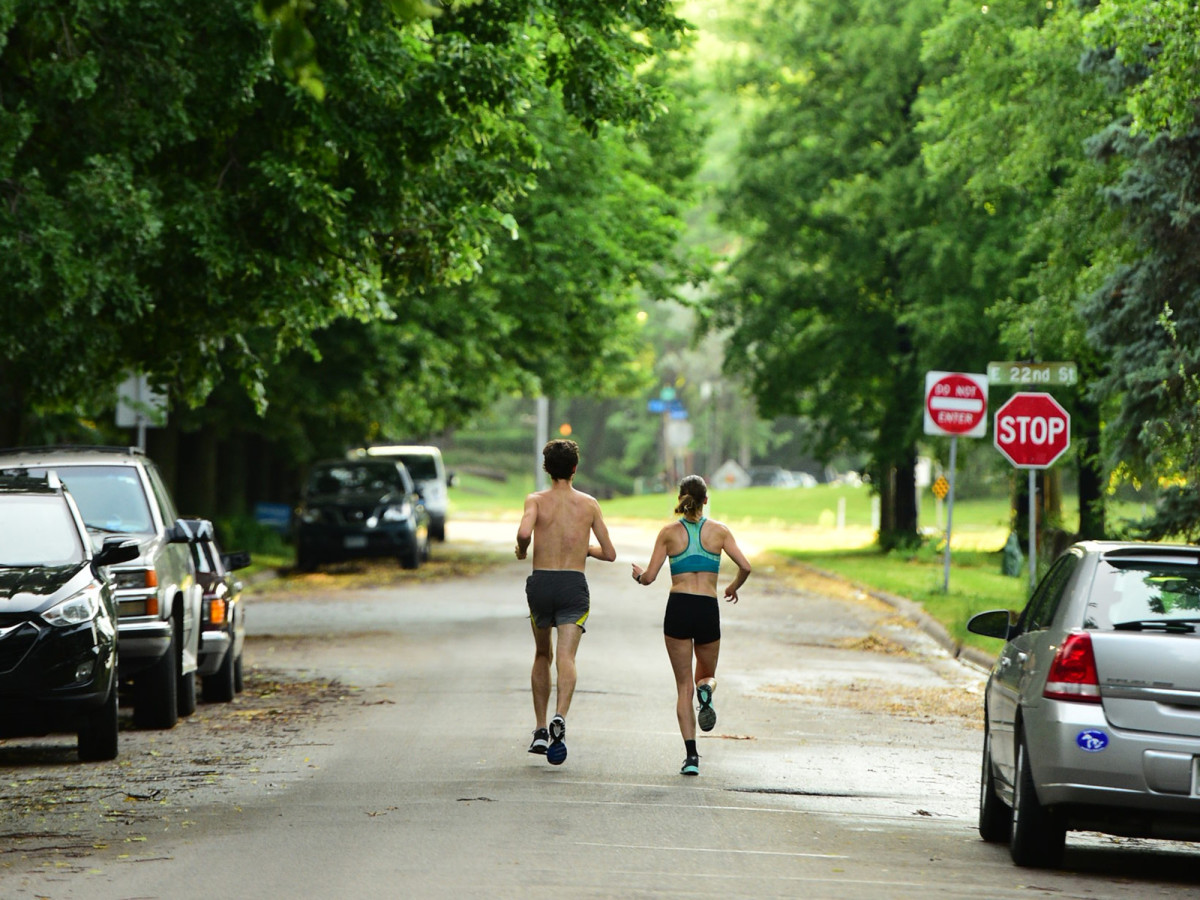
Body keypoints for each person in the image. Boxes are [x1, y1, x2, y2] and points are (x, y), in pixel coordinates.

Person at [631, 475, 751, 776]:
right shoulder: (720, 532)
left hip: (679, 608)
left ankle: (691, 757)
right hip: (707, 608)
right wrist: (732, 586)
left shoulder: (668, 533)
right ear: (705, 500)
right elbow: (746, 566)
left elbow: (649, 577)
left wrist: (638, 575)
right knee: (705, 677)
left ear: (681, 498)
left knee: (683, 687)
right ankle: (706, 691)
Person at [515, 439, 617, 765]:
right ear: (575, 468)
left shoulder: (535, 500)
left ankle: (540, 729)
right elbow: (610, 553)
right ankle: (560, 715)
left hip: (541, 583)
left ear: (547, 469)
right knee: (566, 657)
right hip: (573, 584)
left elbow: (523, 533)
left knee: (542, 653)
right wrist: (584, 549)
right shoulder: (589, 504)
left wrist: (522, 549)